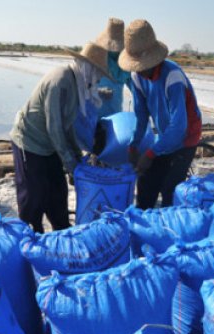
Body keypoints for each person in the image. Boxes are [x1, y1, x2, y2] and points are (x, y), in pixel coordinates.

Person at [10, 42, 110, 232]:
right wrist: (71, 165)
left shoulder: (79, 85)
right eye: (97, 75)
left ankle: (62, 230)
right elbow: (54, 127)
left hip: (51, 145)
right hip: (30, 142)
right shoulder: (61, 80)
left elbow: (69, 127)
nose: (98, 80)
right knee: (33, 195)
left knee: (57, 192)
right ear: (88, 68)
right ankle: (31, 236)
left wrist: (77, 159)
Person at [119, 19, 202, 209]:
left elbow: (179, 127)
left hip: (186, 137)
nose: (139, 70)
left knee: (170, 189)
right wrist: (134, 145)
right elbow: (141, 116)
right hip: (165, 136)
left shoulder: (172, 77)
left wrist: (150, 153)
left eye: (142, 66)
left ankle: (169, 231)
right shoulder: (137, 77)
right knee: (147, 183)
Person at [95, 18, 132, 118]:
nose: (115, 50)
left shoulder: (125, 64)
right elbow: (82, 86)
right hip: (94, 116)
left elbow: (136, 89)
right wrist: (99, 91)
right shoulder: (96, 58)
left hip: (116, 117)